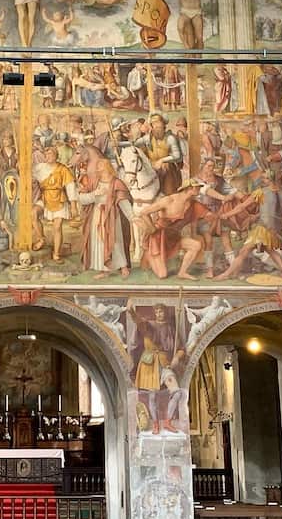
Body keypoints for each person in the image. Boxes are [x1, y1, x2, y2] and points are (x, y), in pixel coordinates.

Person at [215, 167, 282, 280]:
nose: (262, 180)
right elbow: (277, 210)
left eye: (264, 178)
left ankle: (226, 274)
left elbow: (242, 206)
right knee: (270, 250)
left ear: (270, 179)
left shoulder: (261, 192)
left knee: (244, 251)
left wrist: (227, 214)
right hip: (277, 227)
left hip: (264, 227)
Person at [127, 302, 185, 434]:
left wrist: (176, 357)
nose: (159, 314)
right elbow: (139, 322)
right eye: (157, 312)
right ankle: (155, 424)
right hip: (149, 364)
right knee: (152, 397)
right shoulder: (149, 326)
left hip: (165, 363)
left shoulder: (171, 329)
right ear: (155, 313)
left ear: (165, 312)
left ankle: (167, 421)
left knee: (177, 392)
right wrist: (131, 312)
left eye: (161, 311)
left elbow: (181, 349)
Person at [136, 180, 208, 279]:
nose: (199, 189)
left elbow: (208, 214)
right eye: (197, 187)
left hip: (174, 237)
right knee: (162, 275)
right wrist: (151, 228)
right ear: (189, 188)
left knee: (196, 245)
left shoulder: (191, 203)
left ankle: (182, 273)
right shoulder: (169, 200)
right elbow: (143, 212)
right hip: (158, 238)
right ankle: (149, 254)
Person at [77, 159, 134, 277]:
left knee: (115, 241)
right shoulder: (94, 182)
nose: (98, 167)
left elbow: (123, 200)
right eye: (98, 165)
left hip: (112, 216)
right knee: (98, 242)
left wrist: (131, 216)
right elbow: (82, 199)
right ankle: (104, 270)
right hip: (96, 215)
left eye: (101, 165)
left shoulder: (117, 183)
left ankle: (123, 267)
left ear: (108, 167)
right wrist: (94, 194)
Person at [34, 145, 78, 263]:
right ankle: (41, 239)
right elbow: (26, 172)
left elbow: (70, 187)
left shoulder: (63, 169)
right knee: (33, 213)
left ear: (56, 156)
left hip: (59, 199)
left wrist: (73, 206)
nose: (48, 156)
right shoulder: (39, 168)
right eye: (46, 154)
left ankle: (56, 254)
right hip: (45, 198)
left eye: (50, 154)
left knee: (57, 227)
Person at [135, 113, 183, 196]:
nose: (156, 125)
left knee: (166, 168)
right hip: (151, 168)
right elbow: (134, 144)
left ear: (163, 124)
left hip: (167, 170)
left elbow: (177, 156)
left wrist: (162, 160)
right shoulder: (147, 138)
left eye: (158, 122)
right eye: (154, 123)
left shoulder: (170, 138)